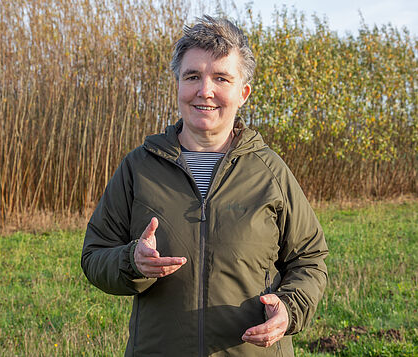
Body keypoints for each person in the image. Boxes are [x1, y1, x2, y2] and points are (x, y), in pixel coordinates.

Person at [81, 15, 328, 356]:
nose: (205, 90)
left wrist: (289, 308)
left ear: (243, 93)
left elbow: (310, 260)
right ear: (178, 85)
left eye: (221, 78)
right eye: (192, 76)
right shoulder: (138, 167)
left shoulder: (270, 171)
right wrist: (131, 262)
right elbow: (94, 255)